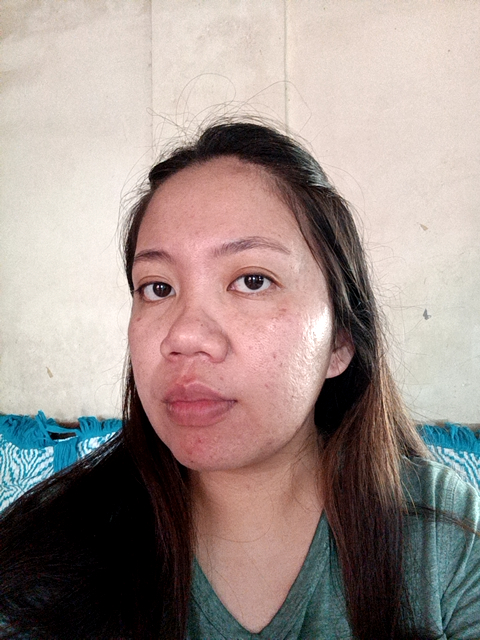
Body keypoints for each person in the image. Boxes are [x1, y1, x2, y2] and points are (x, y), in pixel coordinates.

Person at [0, 121, 479, 640]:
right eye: (157, 288)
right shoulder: (47, 551)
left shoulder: (441, 538)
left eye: (252, 280)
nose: (184, 336)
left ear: (340, 341)